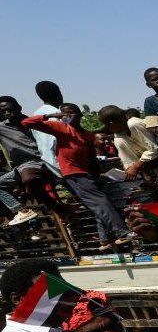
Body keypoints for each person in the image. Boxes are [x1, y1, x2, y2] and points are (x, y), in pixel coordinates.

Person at [21, 104, 132, 250]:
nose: (67, 116)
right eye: (64, 114)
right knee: (100, 201)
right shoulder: (60, 128)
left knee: (99, 204)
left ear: (79, 115)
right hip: (73, 174)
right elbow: (27, 122)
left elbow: (91, 158)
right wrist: (51, 116)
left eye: (71, 113)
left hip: (88, 175)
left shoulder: (86, 134)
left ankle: (105, 240)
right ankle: (121, 233)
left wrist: (97, 175)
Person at [0, 96, 67, 224]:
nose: (7, 113)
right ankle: (21, 210)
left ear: (18, 108)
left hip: (47, 160)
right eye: (3, 111)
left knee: (34, 181)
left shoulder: (31, 121)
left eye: (10, 109)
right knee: (31, 185)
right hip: (24, 166)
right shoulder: (2, 128)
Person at [97, 105, 158, 180]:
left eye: (107, 125)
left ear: (112, 123)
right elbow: (127, 160)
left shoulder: (133, 124)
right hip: (147, 167)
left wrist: (136, 166)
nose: (107, 128)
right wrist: (141, 174)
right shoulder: (118, 136)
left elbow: (154, 149)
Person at [31, 81, 63, 175]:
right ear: (58, 94)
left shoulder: (35, 115)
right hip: (60, 169)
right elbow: (48, 148)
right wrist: (61, 173)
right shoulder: (56, 114)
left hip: (52, 167)